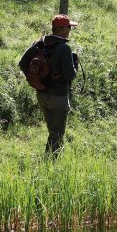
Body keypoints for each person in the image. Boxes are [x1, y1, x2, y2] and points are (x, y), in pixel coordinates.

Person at [19, 14, 78, 158]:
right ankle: (51, 163)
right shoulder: (64, 48)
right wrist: (75, 64)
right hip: (58, 97)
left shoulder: (39, 44)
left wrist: (38, 81)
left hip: (41, 94)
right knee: (57, 133)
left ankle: (52, 158)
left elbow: (22, 63)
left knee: (52, 130)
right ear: (61, 29)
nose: (70, 30)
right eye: (69, 27)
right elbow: (70, 75)